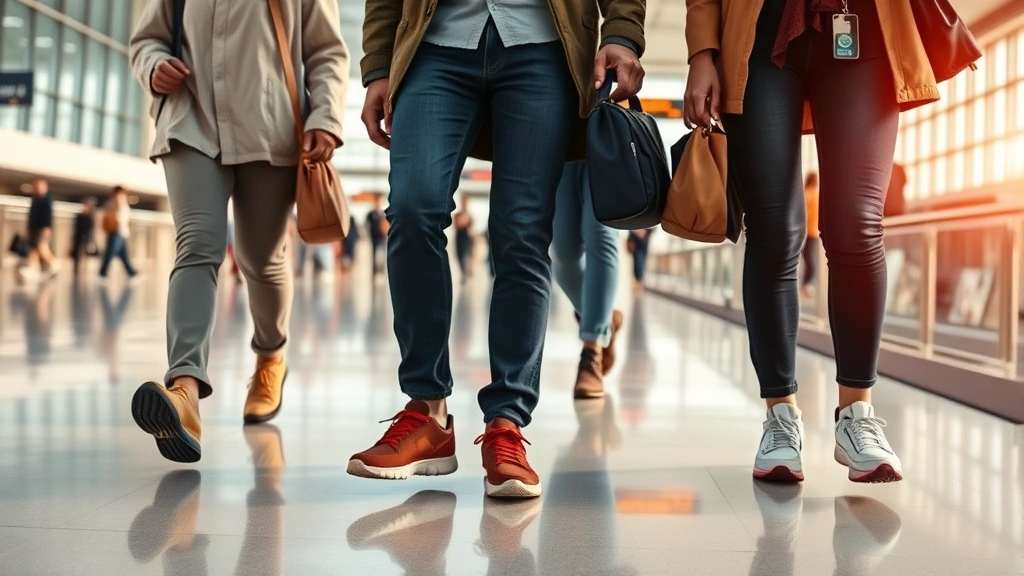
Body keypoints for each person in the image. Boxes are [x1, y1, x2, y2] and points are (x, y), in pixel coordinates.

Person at [350, 0, 646, 499]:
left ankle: (506, 423)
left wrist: (621, 32)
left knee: (523, 233)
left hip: (542, 46)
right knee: (413, 207)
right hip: (434, 45)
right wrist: (378, 66)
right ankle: (427, 411)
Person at [683, 0, 939, 483]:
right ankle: (781, 417)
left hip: (863, 26)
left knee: (857, 225)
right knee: (774, 228)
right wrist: (702, 52)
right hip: (758, 31)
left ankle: (856, 416)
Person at [127, 0, 348, 463]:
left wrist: (325, 117)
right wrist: (153, 66)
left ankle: (271, 357)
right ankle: (184, 389)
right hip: (191, 122)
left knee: (261, 259)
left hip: (271, 128)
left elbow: (326, 51)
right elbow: (145, 39)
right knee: (197, 244)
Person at [551, 163, 624, 399]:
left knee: (601, 233)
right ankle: (603, 320)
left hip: (608, 134)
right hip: (562, 141)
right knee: (563, 253)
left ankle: (591, 353)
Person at [19, 178, 58, 281]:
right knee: (34, 249)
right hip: (34, 228)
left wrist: (47, 227)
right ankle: (33, 270)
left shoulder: (47, 200)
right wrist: (28, 228)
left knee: (41, 247)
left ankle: (54, 264)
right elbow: (31, 216)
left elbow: (48, 216)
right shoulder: (35, 199)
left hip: (42, 228)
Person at [99, 187, 140, 280]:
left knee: (123, 255)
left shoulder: (124, 205)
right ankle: (102, 273)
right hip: (116, 232)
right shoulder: (112, 205)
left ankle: (132, 273)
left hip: (123, 233)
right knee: (110, 253)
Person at [801, 172, 819, 299]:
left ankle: (806, 285)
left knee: (809, 261)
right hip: (811, 233)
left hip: (807, 233)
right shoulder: (812, 195)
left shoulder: (805, 194)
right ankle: (806, 285)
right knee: (811, 262)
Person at [71, 197, 98, 277]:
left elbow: (91, 229)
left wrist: (91, 238)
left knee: (86, 253)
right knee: (77, 253)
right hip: (78, 237)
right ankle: (77, 269)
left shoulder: (90, 217)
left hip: (86, 237)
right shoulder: (79, 216)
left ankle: (85, 269)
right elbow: (76, 228)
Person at [366, 193, 388, 276]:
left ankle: (381, 271)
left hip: (382, 237)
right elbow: (367, 224)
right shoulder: (371, 214)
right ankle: (374, 272)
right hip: (374, 236)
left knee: (382, 253)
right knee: (374, 254)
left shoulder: (383, 214)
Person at [453, 195, 474, 281]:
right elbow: (456, 225)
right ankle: (463, 272)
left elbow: (470, 226)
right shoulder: (458, 214)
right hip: (459, 236)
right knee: (459, 255)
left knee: (466, 254)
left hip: (466, 237)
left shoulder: (469, 215)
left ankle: (466, 272)